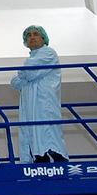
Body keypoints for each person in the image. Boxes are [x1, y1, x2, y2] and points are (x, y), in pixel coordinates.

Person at [11, 25, 67, 163]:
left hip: (44, 104)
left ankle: (54, 158)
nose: (32, 37)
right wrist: (23, 75)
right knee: (34, 137)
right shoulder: (33, 59)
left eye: (35, 34)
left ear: (43, 38)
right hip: (31, 108)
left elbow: (28, 72)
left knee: (47, 136)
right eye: (28, 35)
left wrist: (23, 75)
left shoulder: (48, 53)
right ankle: (39, 158)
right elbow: (15, 82)